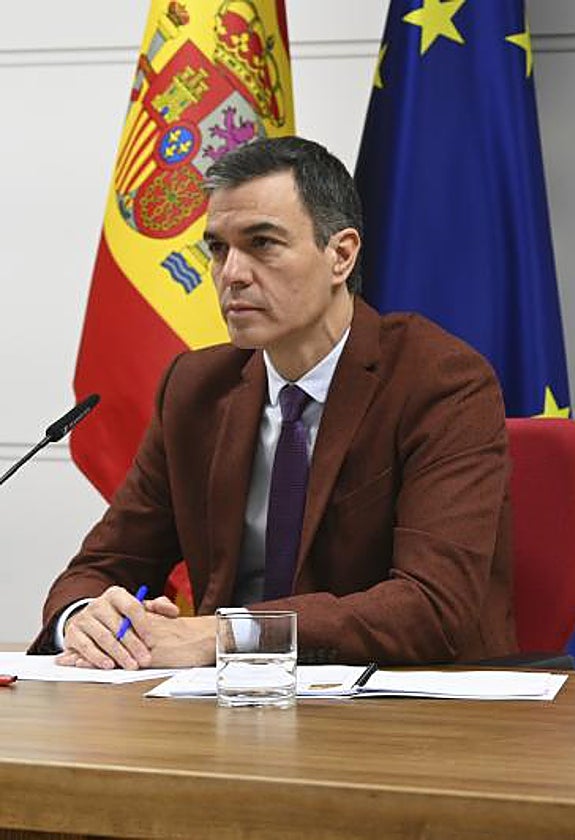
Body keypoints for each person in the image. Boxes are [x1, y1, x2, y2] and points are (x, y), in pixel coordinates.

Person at [30, 136, 517, 668]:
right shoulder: (195, 387)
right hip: (223, 696)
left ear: (341, 255)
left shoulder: (438, 381)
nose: (231, 274)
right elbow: (108, 563)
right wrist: (83, 618)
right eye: (218, 249)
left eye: (262, 243)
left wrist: (224, 635)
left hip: (400, 698)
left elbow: (433, 606)